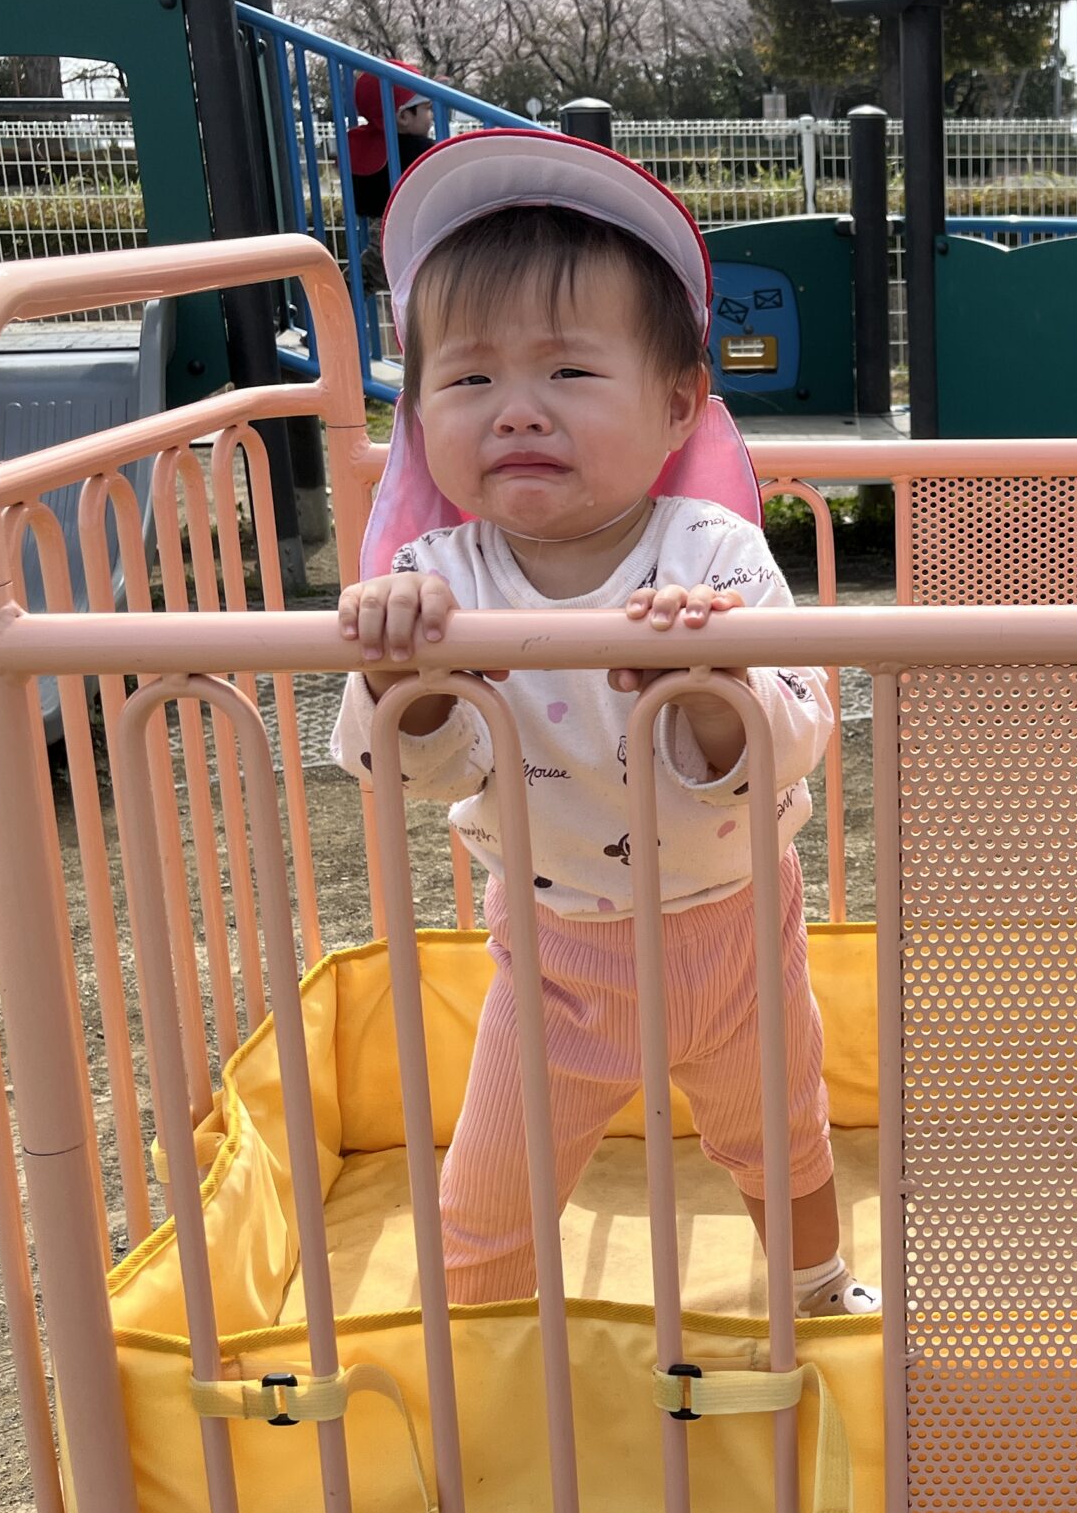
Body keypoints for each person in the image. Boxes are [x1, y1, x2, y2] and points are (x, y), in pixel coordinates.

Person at [331, 129, 873, 1316]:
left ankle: (819, 1294)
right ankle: (482, 1357)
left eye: (570, 373)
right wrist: (408, 667)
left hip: (736, 931)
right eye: (468, 382)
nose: (516, 413)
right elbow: (415, 770)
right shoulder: (433, 581)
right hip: (555, 956)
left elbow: (794, 737)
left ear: (677, 404)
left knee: (781, 1140)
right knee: (489, 1191)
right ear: (417, 415)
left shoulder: (714, 556)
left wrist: (711, 680)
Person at [346, 66, 435, 295]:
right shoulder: (421, 150)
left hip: (382, 226)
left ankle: (340, 292)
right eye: (427, 108)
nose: (432, 116)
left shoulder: (364, 147)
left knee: (369, 275)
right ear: (403, 116)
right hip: (402, 229)